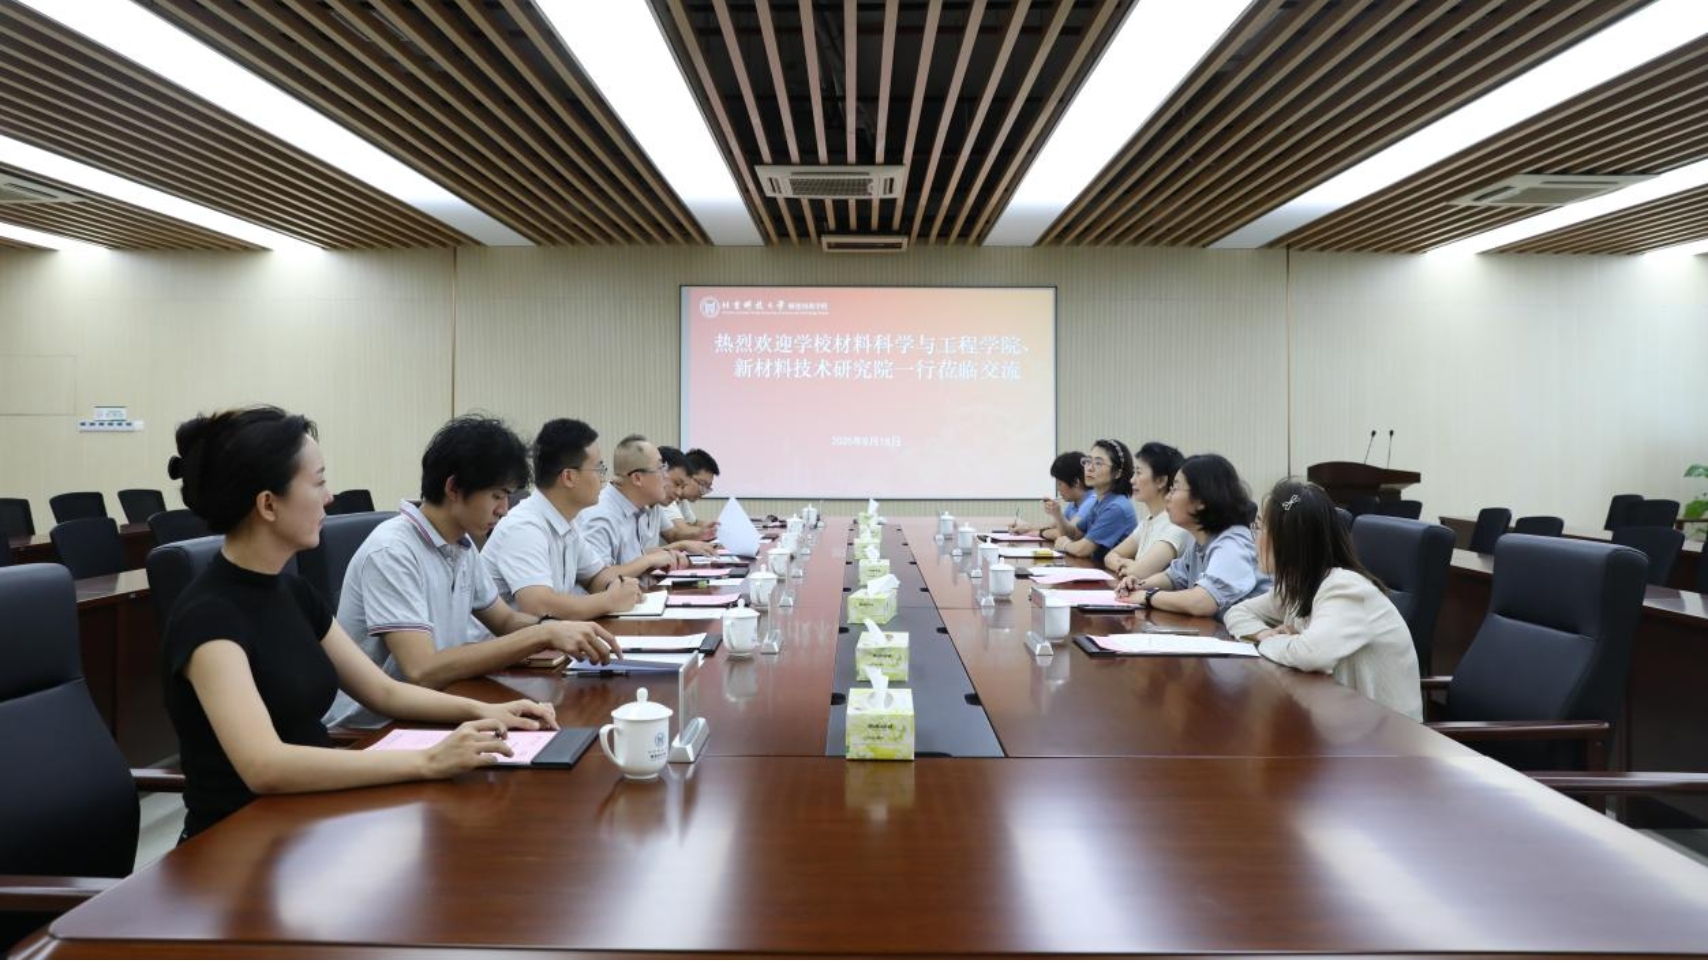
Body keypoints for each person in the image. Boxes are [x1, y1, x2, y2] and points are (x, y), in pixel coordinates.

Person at [161, 406, 558, 839]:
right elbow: (265, 766)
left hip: (310, 819)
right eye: (318, 482)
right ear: (268, 504)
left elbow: (384, 691)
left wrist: (490, 712)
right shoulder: (209, 617)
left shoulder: (293, 593)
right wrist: (429, 760)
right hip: (238, 843)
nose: (330, 497)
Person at [324, 415, 620, 729]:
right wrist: (542, 634)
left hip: (440, 702)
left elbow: (505, 621)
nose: (504, 509)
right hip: (374, 729)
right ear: (453, 487)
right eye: (497, 495)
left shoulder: (461, 545)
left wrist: (555, 627)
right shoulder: (393, 551)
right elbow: (422, 670)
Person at [1226, 480, 1423, 720]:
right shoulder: (1300, 584)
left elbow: (1312, 654)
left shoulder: (1345, 588)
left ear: (1287, 538)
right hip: (1346, 721)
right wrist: (1263, 633)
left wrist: (1268, 642)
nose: (1254, 537)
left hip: (1390, 734)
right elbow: (1236, 613)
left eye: (1259, 527)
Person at [481, 418, 646, 619]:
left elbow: (594, 576)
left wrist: (619, 587)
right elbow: (538, 605)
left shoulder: (567, 522)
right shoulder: (524, 526)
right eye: (598, 469)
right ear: (568, 477)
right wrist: (610, 600)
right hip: (505, 639)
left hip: (547, 636)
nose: (603, 479)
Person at [1116, 453, 1270, 619]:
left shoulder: (1232, 543)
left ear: (1201, 500)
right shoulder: (1202, 541)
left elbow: (1201, 602)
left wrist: (1149, 596)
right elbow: (1173, 577)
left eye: (1175, 489)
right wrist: (1139, 585)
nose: (1167, 497)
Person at [577, 434, 691, 580]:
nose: (666, 476)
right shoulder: (601, 515)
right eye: (660, 468)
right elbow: (598, 580)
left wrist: (663, 555)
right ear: (637, 478)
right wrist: (648, 560)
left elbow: (629, 561)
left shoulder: (637, 508)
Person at [1104, 441, 1192, 580]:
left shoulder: (1175, 525)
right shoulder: (1149, 520)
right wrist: (1128, 566)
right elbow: (1110, 556)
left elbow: (1140, 572)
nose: (1132, 480)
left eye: (1139, 473)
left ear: (1161, 481)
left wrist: (1132, 567)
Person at [1054, 439, 1139, 562]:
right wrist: (1057, 514)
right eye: (1088, 461)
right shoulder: (1100, 502)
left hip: (1113, 573)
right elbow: (1075, 534)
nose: (1089, 468)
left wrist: (1065, 545)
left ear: (1117, 473)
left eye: (1098, 463)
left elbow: (1082, 549)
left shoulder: (1116, 507)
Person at [1010, 451, 1094, 539]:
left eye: (1060, 483)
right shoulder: (1075, 502)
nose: (1058, 489)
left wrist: (1041, 532)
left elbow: (1069, 535)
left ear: (1076, 482)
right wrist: (1028, 528)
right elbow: (1053, 526)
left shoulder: (1091, 502)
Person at [656, 446, 717, 553]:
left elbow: (692, 524)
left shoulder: (672, 499)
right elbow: (677, 534)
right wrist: (702, 532)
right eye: (703, 485)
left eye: (707, 488)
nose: (679, 492)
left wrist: (712, 528)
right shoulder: (665, 498)